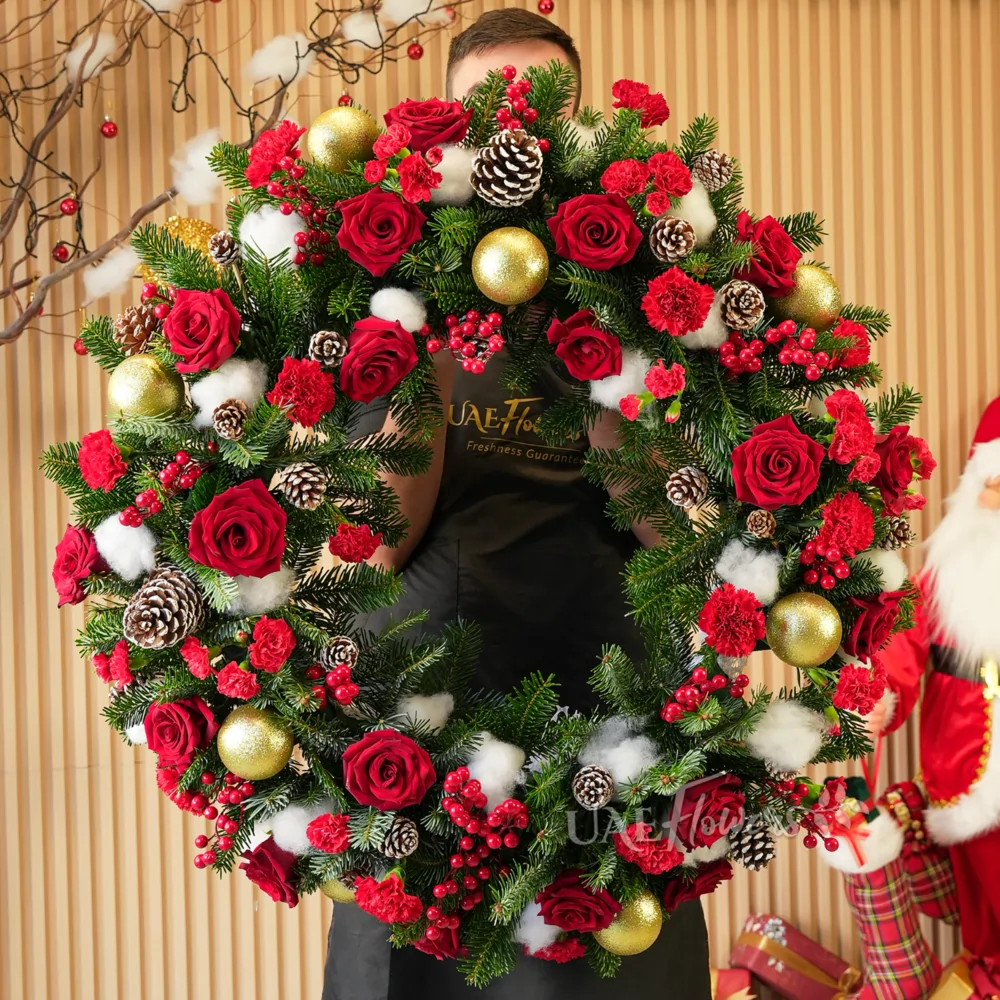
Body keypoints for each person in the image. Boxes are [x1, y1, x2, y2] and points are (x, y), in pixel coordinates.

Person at [322, 10, 712, 999]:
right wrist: (436, 337)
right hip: (426, 727)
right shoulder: (387, 287)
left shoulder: (644, 287)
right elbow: (377, 537)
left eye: (543, 110)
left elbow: (668, 529)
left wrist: (604, 351)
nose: (515, 137)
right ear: (446, 132)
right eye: (488, 111)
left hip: (607, 711)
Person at [869, 396, 1000, 967]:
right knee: (986, 895)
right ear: (977, 485)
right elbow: (902, 650)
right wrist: (880, 699)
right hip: (966, 759)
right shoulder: (942, 576)